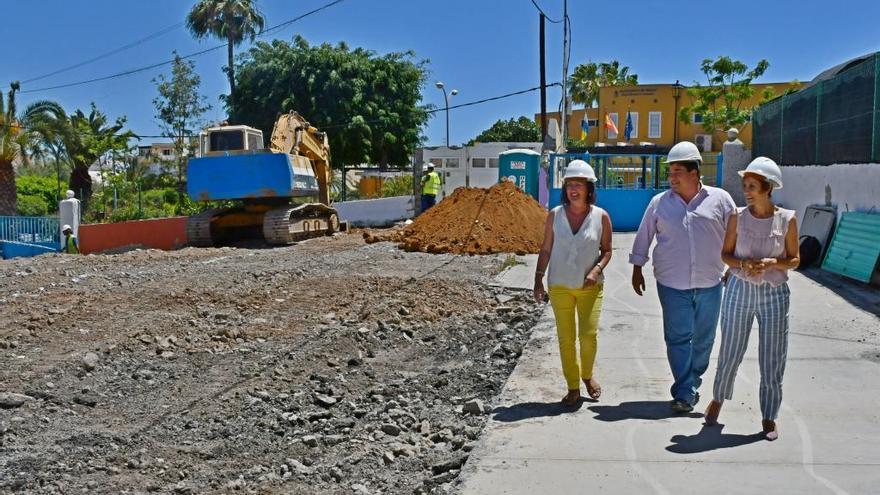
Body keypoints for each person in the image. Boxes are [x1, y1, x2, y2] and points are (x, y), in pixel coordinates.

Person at [629, 141, 736, 413]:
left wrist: (733, 267)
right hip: (671, 283)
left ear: (694, 172)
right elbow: (644, 236)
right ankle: (685, 391)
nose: (671, 177)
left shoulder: (721, 200)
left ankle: (691, 382)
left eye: (677, 171)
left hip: (711, 283)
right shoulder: (659, 203)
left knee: (705, 339)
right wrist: (637, 267)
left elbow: (736, 236)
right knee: (677, 338)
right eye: (670, 172)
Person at [704, 157, 800, 441]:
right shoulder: (737, 216)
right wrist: (743, 265)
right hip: (739, 288)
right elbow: (726, 254)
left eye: (753, 186)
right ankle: (717, 400)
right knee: (730, 348)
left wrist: (772, 262)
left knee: (773, 354)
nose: (746, 191)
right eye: (745, 185)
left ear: (768, 188)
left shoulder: (787, 219)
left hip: (774, 293)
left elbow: (795, 260)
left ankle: (769, 416)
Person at [534, 160, 612, 406]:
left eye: (579, 184)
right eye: (569, 184)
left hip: (590, 287)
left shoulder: (601, 217)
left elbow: (608, 250)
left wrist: (596, 270)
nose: (573, 189)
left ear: (589, 188)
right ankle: (573, 387)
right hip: (559, 285)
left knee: (588, 336)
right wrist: (538, 279)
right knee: (566, 339)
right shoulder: (554, 215)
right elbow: (546, 249)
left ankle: (587, 376)